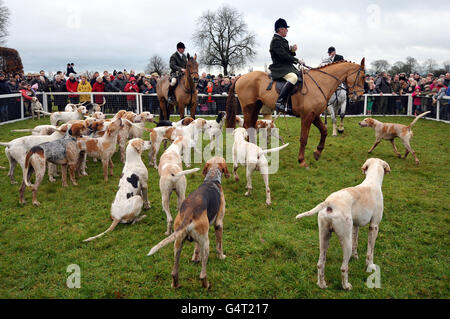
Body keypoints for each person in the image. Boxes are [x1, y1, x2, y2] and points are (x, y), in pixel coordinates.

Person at [269, 18, 303, 115]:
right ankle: (279, 102)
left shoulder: (283, 41)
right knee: (293, 77)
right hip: (279, 68)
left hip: (287, 66)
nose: (287, 30)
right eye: (286, 28)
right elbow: (283, 56)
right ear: (280, 29)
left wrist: (292, 51)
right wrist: (297, 60)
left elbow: (287, 54)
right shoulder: (275, 41)